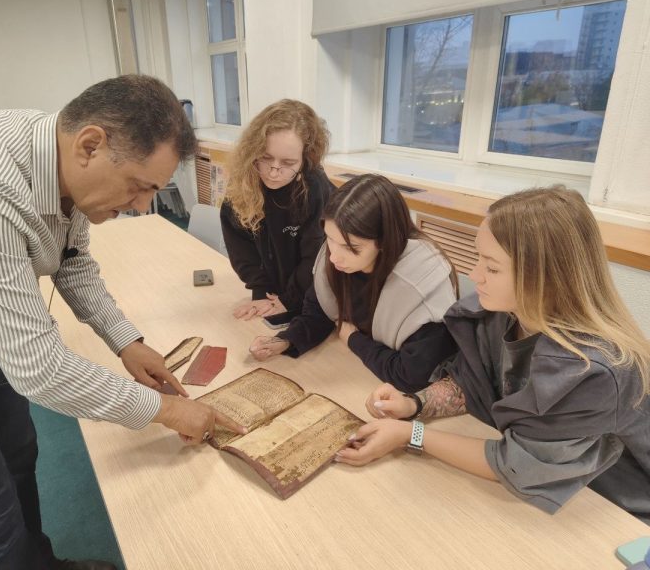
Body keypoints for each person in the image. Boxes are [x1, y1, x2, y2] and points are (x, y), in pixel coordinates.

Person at [0, 75, 245, 570]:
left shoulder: (60, 160)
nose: (142, 205)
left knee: (18, 459)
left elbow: (70, 261)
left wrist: (126, 342)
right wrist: (167, 411)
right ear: (91, 145)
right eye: (139, 187)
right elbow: (39, 370)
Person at [336, 186, 650, 524]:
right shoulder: (500, 316)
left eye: (493, 268)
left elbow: (518, 464)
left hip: (608, 512)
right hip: (540, 499)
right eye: (479, 259)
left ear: (545, 276)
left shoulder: (594, 369)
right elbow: (471, 383)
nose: (474, 276)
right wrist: (414, 404)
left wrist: (410, 435)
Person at [249, 174, 458, 392]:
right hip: (358, 375)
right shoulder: (340, 255)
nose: (334, 257)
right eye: (329, 239)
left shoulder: (421, 284)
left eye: (351, 248)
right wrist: (286, 340)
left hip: (393, 395)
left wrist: (353, 339)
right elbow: (318, 310)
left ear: (385, 242)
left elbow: (412, 375)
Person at [220, 99, 333, 321]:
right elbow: (241, 248)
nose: (273, 172)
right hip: (272, 294)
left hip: (314, 295)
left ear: (305, 159)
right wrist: (260, 293)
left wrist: (287, 300)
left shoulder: (315, 189)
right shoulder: (243, 182)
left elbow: (316, 256)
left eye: (288, 163)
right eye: (265, 158)